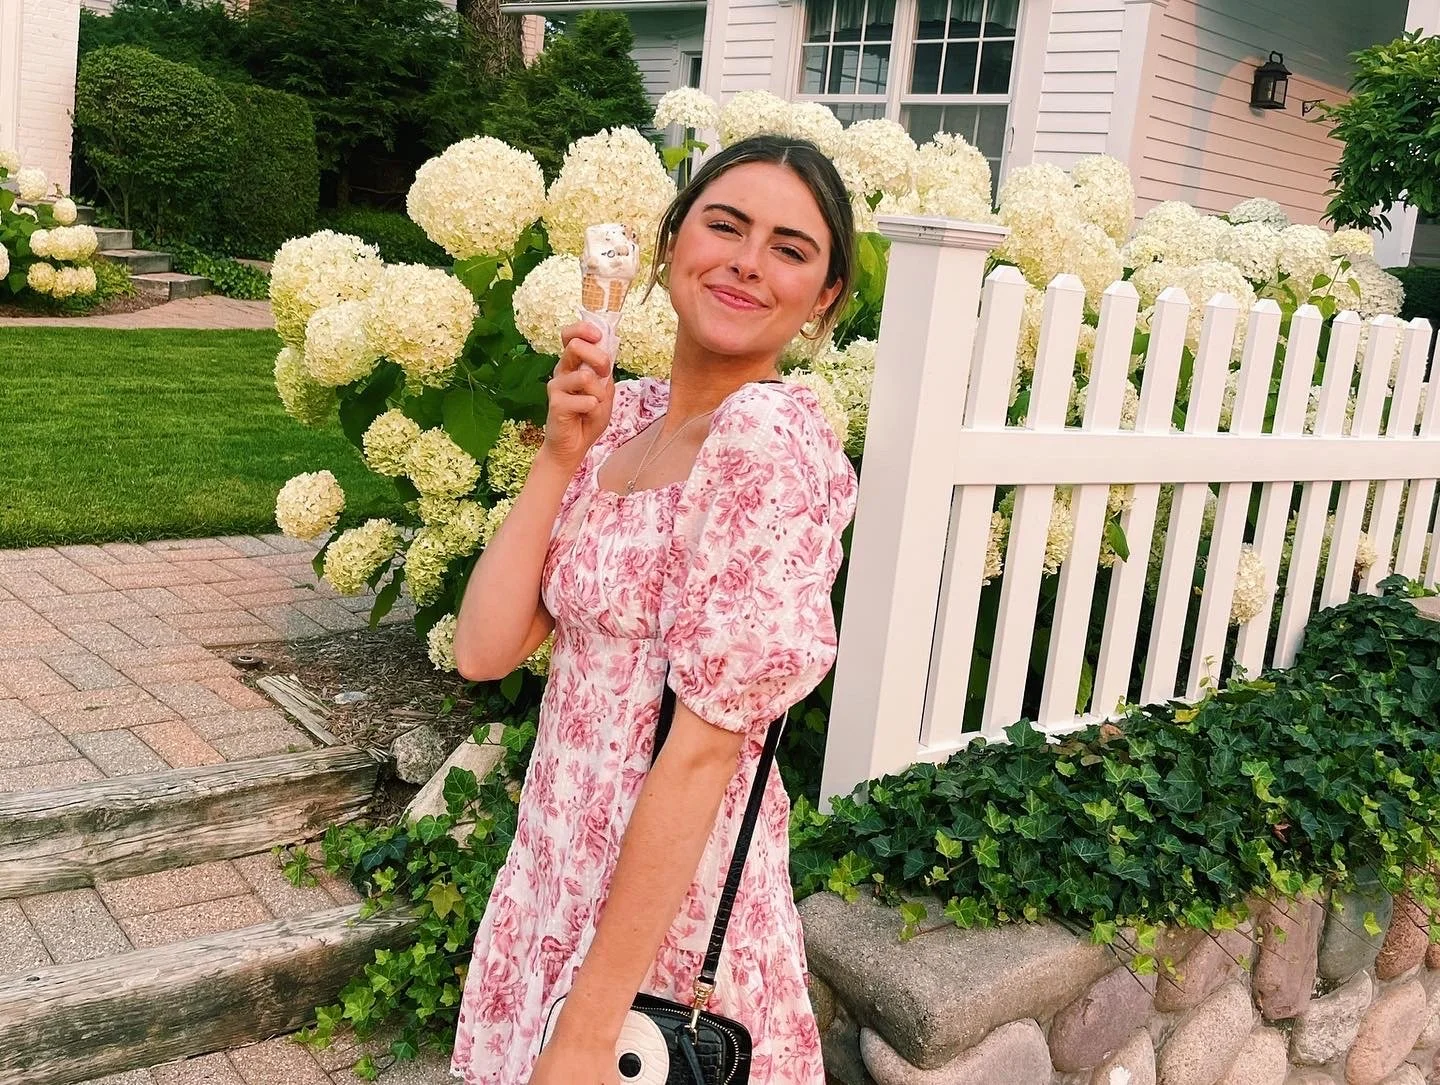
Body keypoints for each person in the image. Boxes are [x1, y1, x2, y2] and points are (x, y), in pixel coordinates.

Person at [448, 134, 860, 1085]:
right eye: (725, 225)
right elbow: (485, 649)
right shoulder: (626, 420)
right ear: (673, 244)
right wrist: (559, 451)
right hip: (556, 872)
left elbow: (711, 744)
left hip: (662, 921)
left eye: (791, 249)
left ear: (823, 298)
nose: (749, 262)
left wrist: (592, 1025)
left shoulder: (766, 443)